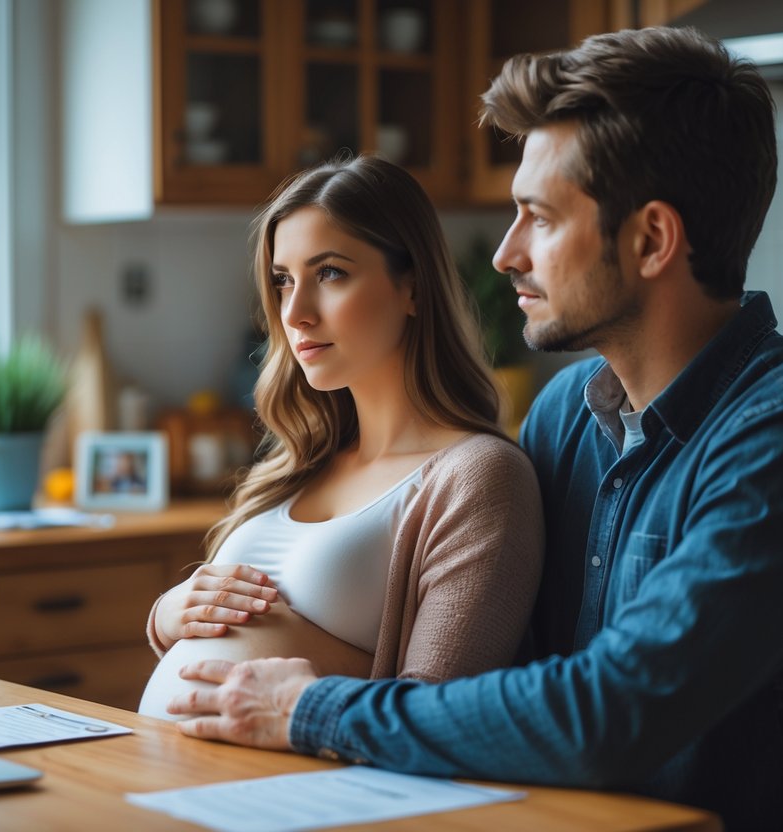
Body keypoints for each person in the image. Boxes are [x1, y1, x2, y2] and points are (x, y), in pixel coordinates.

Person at [165, 26, 783, 830]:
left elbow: (612, 711)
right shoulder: (565, 416)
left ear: (652, 239)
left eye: (539, 218)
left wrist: (311, 708)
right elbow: (496, 666)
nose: (504, 254)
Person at [138, 155, 545, 719]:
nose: (296, 313)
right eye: (283, 281)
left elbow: (438, 714)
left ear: (414, 289)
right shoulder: (302, 461)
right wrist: (167, 616)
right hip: (167, 785)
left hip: (309, 801)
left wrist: (289, 652)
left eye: (330, 272)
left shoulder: (478, 476)